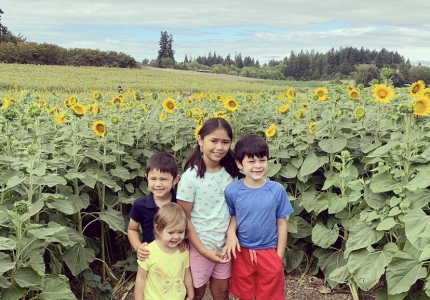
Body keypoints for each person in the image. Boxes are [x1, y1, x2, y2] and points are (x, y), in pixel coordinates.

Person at [223, 134, 294, 300]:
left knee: (269, 294)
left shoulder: (276, 190)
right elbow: (233, 216)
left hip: (269, 251)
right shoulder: (232, 191)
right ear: (240, 164)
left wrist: (279, 256)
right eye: (251, 161)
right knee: (245, 294)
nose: (257, 166)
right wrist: (231, 234)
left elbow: (282, 223)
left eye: (262, 160)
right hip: (242, 252)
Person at [177, 118, 239, 300]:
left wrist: (231, 235)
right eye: (214, 141)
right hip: (199, 246)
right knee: (196, 292)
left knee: (221, 292)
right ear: (200, 140)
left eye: (225, 142)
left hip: (224, 245)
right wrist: (204, 251)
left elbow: (233, 210)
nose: (219, 147)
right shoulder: (190, 178)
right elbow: (184, 219)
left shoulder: (231, 173)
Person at [134, 202, 194, 300]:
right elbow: (140, 279)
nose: (176, 236)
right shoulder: (148, 252)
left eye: (180, 232)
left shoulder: (183, 251)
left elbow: (186, 274)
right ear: (158, 229)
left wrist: (191, 293)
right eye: (171, 232)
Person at [128, 152, 180, 260]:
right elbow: (132, 229)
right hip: (150, 257)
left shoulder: (180, 203)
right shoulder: (140, 205)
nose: (157, 184)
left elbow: (188, 226)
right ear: (146, 177)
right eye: (153, 179)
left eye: (163, 179)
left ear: (175, 180)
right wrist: (139, 247)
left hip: (176, 256)